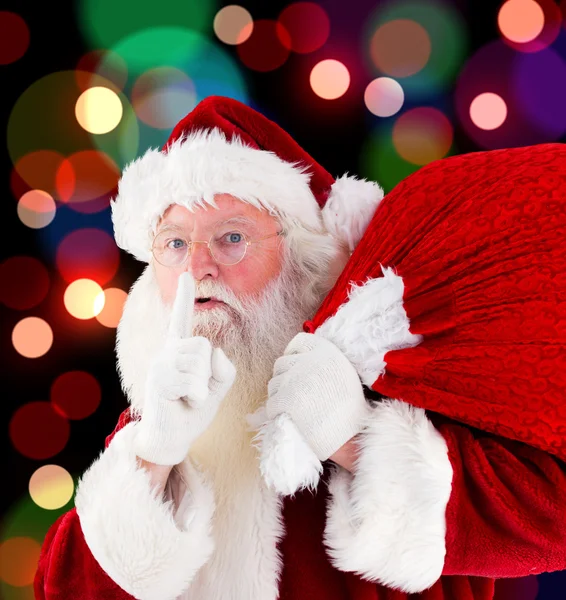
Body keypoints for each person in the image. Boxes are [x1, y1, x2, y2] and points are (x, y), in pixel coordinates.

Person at [34, 96, 566, 600]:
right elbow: (62, 589)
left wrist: (353, 439)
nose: (198, 267)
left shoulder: (410, 376)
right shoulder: (158, 421)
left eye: (232, 237)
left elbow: (550, 521)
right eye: (175, 243)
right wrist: (152, 457)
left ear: (304, 260)